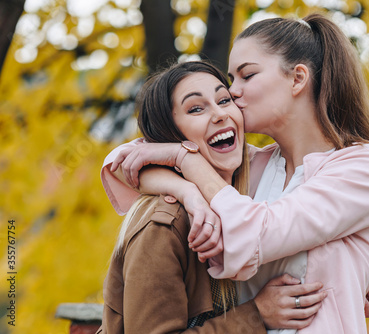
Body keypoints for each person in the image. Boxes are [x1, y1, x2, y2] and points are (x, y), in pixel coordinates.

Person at [104, 13, 369, 333]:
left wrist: (183, 160)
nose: (234, 92)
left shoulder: (366, 167)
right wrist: (187, 191)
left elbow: (259, 231)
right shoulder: (249, 169)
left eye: (247, 75)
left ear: (298, 78)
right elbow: (124, 163)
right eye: (232, 80)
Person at [97, 61, 328, 334]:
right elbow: (120, 161)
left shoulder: (250, 193)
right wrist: (256, 315)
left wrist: (339, 269)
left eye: (224, 99)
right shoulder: (164, 226)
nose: (219, 114)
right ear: (170, 136)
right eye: (196, 108)